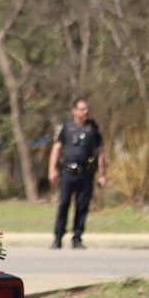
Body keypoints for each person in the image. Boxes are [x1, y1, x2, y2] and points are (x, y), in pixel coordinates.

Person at [48, 98, 106, 249]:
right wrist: (52, 169)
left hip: (85, 173)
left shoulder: (93, 129)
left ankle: (77, 238)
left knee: (82, 206)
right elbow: (56, 148)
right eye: (82, 109)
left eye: (86, 109)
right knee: (64, 205)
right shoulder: (67, 128)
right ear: (74, 110)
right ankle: (58, 237)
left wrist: (102, 174)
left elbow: (100, 152)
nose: (85, 112)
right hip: (68, 173)